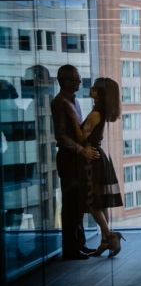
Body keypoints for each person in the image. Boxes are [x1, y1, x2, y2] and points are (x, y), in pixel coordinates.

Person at [64, 77, 125, 257]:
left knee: (92, 203)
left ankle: (110, 236)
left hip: (91, 160)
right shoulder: (100, 111)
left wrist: (72, 116)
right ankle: (106, 241)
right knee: (100, 201)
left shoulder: (95, 113)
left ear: (100, 92)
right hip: (98, 157)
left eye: (94, 87)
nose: (90, 88)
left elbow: (82, 137)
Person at [51, 65, 100, 260]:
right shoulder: (59, 103)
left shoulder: (74, 102)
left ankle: (79, 244)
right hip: (68, 158)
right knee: (70, 204)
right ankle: (70, 249)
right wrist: (82, 150)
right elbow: (61, 136)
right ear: (66, 82)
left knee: (78, 203)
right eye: (77, 79)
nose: (80, 82)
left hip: (77, 158)